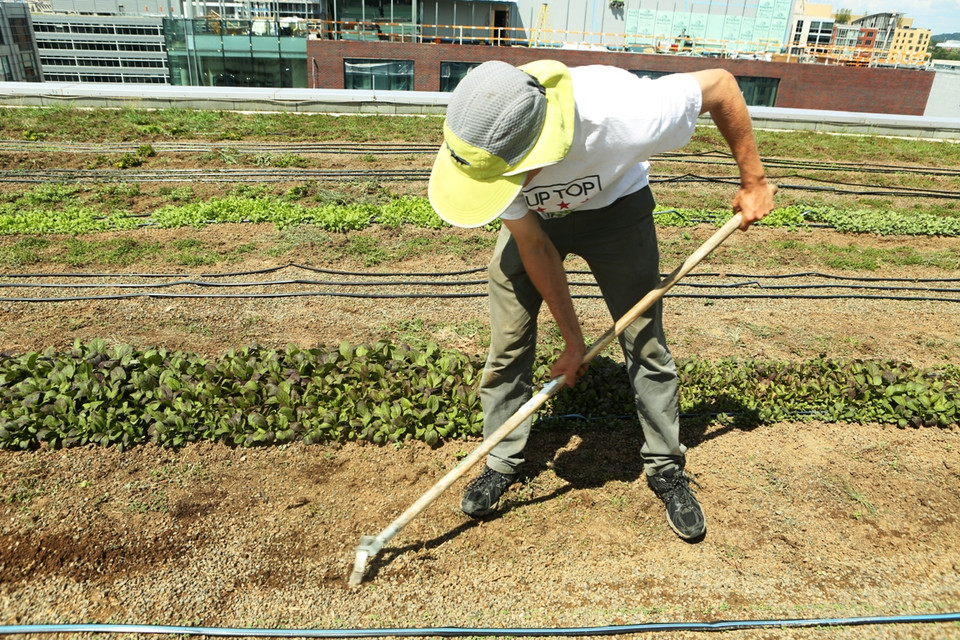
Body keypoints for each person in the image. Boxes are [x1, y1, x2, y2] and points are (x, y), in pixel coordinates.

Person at [427, 60, 777, 540]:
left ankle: (665, 467)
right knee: (508, 341)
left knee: (645, 341)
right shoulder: (485, 149)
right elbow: (535, 247)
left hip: (617, 210)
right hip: (537, 223)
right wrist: (573, 342)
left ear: (538, 151)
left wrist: (754, 180)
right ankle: (502, 459)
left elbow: (721, 85)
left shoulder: (624, 112)